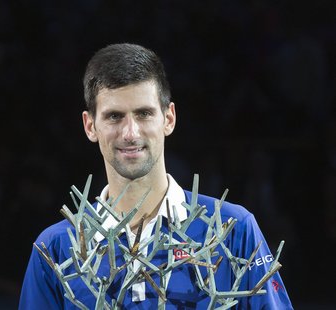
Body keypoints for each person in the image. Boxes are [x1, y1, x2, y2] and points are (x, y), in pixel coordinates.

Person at [19, 43, 292, 309]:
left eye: (144, 114)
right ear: (90, 126)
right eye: (114, 116)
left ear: (169, 118)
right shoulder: (54, 249)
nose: (130, 133)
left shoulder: (232, 229)